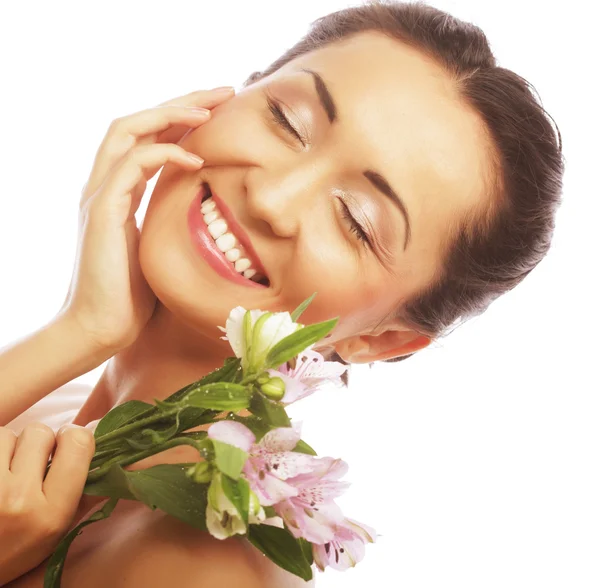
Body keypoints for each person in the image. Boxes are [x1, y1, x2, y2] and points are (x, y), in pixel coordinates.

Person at [0, 1, 564, 586]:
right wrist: (82, 329)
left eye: (356, 221)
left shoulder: (205, 566)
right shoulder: (53, 400)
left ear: (385, 339)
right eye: (287, 120)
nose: (271, 200)